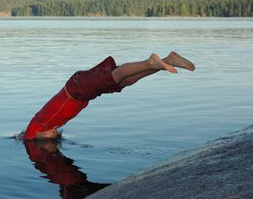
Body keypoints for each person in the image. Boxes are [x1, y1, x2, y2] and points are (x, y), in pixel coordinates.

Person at [23, 51, 195, 140]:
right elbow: (50, 133)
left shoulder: (33, 130)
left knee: (115, 76)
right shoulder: (41, 124)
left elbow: (42, 135)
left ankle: (150, 61)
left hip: (76, 89)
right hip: (83, 93)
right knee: (122, 83)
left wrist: (44, 138)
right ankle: (167, 61)